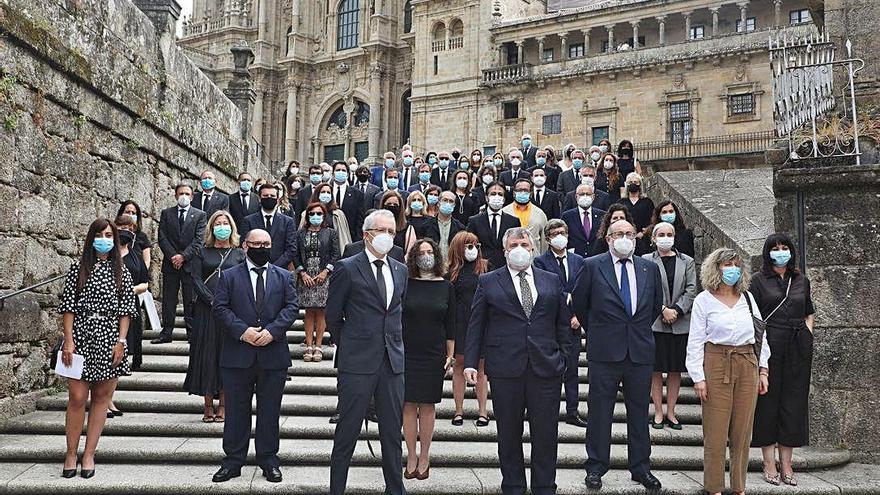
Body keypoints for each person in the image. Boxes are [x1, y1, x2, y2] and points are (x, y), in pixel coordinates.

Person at [464, 227, 571, 495]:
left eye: (524, 243)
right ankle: (512, 486)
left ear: (533, 247)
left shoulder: (550, 279)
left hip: (545, 368)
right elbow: (477, 324)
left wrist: (564, 359)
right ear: (505, 249)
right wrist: (470, 362)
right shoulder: (488, 281)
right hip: (505, 369)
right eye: (514, 244)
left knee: (545, 435)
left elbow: (562, 324)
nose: (519, 248)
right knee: (509, 434)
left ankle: (544, 487)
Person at [571, 219, 664, 491]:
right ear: (609, 238)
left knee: (638, 413)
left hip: (639, 350)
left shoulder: (649, 268)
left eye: (629, 234)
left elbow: (655, 306)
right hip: (604, 352)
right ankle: (596, 467)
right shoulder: (591, 266)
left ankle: (641, 468)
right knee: (600, 413)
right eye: (618, 234)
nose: (624, 238)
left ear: (636, 238)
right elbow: (580, 304)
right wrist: (600, 331)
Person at [327, 210, 408, 495]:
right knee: (347, 431)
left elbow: (397, 311)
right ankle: (337, 489)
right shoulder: (347, 267)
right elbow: (333, 316)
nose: (387, 236)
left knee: (391, 432)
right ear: (366, 234)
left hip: (392, 362)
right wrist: (350, 345)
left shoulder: (400, 269)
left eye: (391, 231)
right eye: (381, 230)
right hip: (358, 362)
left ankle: (395, 489)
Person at [211, 229, 300, 484]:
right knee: (236, 411)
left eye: (267, 244)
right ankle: (232, 462)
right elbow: (220, 307)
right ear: (245, 246)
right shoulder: (229, 276)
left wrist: (272, 332)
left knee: (270, 411)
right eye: (257, 243)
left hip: (273, 355)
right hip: (238, 354)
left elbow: (292, 306)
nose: (262, 247)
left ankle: (269, 461)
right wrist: (243, 331)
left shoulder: (284, 276)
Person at [686, 247, 770, 495]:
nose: (732, 269)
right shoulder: (704, 300)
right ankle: (714, 487)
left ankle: (739, 487)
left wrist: (763, 369)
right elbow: (695, 340)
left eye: (736, 264)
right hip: (716, 361)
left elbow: (760, 335)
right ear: (716, 268)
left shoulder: (747, 298)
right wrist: (698, 377)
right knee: (715, 429)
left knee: (743, 430)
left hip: (746, 360)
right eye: (726, 264)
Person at [59, 218, 137, 479]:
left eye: (108, 235)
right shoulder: (77, 268)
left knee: (102, 398)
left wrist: (121, 341)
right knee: (78, 397)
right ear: (91, 238)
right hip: (81, 335)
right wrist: (68, 339)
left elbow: (126, 310)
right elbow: (68, 305)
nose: (104, 239)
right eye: (99, 234)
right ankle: (71, 452)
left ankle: (89, 453)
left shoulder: (122, 271)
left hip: (109, 337)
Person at [750, 233, 815, 487]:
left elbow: (809, 311)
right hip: (770, 346)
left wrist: (808, 335)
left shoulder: (801, 280)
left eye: (784, 248)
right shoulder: (757, 281)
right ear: (767, 253)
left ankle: (787, 464)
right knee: (767, 404)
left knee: (793, 403)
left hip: (797, 347)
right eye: (775, 248)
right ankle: (768, 463)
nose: (780, 252)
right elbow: (753, 318)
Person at [401, 238, 455, 480]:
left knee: (428, 405)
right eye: (421, 252)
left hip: (434, 352)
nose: (426, 255)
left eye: (430, 251)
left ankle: (425, 455)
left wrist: (451, 353)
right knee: (409, 404)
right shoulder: (405, 283)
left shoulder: (445, 286)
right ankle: (411, 455)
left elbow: (451, 323)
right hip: (407, 351)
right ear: (414, 256)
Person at [186, 210, 246, 423]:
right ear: (212, 228)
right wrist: (211, 300)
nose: (222, 227)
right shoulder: (202, 251)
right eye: (218, 223)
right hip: (206, 311)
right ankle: (208, 405)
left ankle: (224, 405)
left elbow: (243, 280)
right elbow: (195, 279)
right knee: (207, 356)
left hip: (231, 311)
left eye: (225, 223)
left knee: (226, 356)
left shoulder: (239, 254)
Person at [642, 222, 696, 430]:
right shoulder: (646, 260)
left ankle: (671, 412)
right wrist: (663, 309)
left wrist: (677, 310)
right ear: (654, 238)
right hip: (656, 322)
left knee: (675, 370)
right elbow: (647, 288)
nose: (666, 237)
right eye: (661, 234)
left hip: (680, 323)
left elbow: (691, 289)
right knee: (656, 369)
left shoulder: (687, 261)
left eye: (669, 234)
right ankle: (657, 411)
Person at [534, 219, 588, 427]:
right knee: (547, 371)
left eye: (563, 232)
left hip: (573, 325)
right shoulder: (540, 262)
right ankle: (546, 410)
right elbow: (544, 290)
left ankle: (572, 411)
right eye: (555, 233)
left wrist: (578, 316)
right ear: (548, 238)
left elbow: (583, 292)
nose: (559, 236)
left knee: (572, 370)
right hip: (550, 325)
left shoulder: (579, 261)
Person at [103, 215, 149, 418]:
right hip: (106, 311)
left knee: (119, 358)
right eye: (121, 226)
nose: (125, 230)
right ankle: (102, 400)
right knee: (104, 356)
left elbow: (145, 283)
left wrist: (129, 290)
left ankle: (109, 398)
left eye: (130, 227)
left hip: (128, 309)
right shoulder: (106, 253)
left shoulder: (136, 255)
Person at [153, 182, 207, 344]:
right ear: (176, 195)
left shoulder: (200, 215)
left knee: (190, 299)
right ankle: (166, 332)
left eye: (187, 194)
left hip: (190, 264)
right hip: (171, 264)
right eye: (180, 193)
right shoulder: (166, 213)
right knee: (169, 298)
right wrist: (173, 257)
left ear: (191, 196)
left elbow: (199, 240)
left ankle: (191, 333)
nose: (183, 196)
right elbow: (162, 237)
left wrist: (183, 257)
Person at [448, 232, 490, 427]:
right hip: (458, 322)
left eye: (475, 244)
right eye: (467, 245)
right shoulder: (450, 271)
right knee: (459, 365)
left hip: (481, 322)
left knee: (481, 367)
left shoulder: (485, 267)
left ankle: (483, 411)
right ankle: (459, 411)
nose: (471, 248)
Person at [293, 202, 340, 363]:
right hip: (306, 274)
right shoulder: (300, 233)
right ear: (307, 216)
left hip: (323, 274)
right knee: (309, 310)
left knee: (321, 310)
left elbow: (336, 254)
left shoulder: (330, 233)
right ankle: (308, 344)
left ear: (324, 215)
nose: (315, 216)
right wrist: (302, 272)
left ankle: (318, 345)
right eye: (312, 213)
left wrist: (326, 271)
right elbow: (295, 254)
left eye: (319, 213)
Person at [240, 182, 297, 269]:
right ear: (259, 198)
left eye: (272, 196)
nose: (269, 198)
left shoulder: (288, 221)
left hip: (279, 271)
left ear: (278, 199)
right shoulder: (248, 220)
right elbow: (244, 245)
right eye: (265, 196)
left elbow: (291, 249)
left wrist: (273, 267)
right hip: (254, 268)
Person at [467, 182, 521, 270]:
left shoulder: (513, 221)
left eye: (500, 194)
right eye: (493, 194)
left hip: (506, 267)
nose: (496, 197)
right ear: (486, 198)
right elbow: (470, 244)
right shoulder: (474, 221)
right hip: (481, 267)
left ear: (504, 199)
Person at [502, 178, 548, 253]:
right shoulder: (505, 211)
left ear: (531, 193)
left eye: (526, 190)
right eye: (519, 190)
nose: (523, 192)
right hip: (511, 256)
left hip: (533, 258)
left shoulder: (540, 213)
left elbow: (544, 241)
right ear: (514, 193)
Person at [308, 182, 353, 252]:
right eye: (323, 192)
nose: (326, 194)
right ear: (317, 194)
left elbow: (344, 237)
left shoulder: (339, 214)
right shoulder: (307, 213)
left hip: (333, 252)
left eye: (328, 192)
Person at [331, 161, 364, 240]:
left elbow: (360, 219)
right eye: (338, 170)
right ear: (333, 173)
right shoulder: (326, 191)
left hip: (349, 236)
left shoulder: (357, 194)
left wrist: (357, 239)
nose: (340, 172)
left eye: (343, 170)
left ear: (348, 174)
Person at [619, 173, 655, 244]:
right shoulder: (621, 202)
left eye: (635, 182)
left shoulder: (647, 202)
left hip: (643, 238)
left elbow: (653, 219)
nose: (633, 184)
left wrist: (644, 232)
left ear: (640, 184)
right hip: (625, 238)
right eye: (630, 182)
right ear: (627, 184)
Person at [116, 200, 152, 269]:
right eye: (127, 212)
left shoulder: (142, 236)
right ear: (121, 213)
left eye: (133, 213)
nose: (130, 215)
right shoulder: (113, 232)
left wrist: (140, 272)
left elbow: (147, 260)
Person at [436, 190, 466, 260]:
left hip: (452, 266)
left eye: (451, 201)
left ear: (454, 205)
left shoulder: (460, 228)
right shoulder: (427, 225)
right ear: (438, 203)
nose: (448, 203)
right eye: (445, 200)